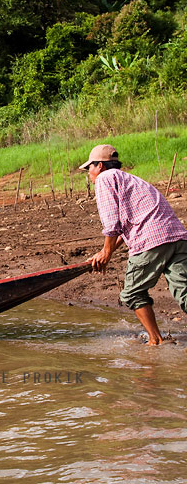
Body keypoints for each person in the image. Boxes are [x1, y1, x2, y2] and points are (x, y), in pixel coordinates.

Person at [82, 144, 187, 345]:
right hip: (177, 238)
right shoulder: (131, 180)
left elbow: (112, 221)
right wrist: (105, 252)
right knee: (185, 291)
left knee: (132, 293)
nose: (89, 174)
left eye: (90, 168)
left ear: (101, 166)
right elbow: (125, 227)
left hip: (151, 240)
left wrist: (106, 251)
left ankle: (155, 341)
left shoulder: (105, 179)